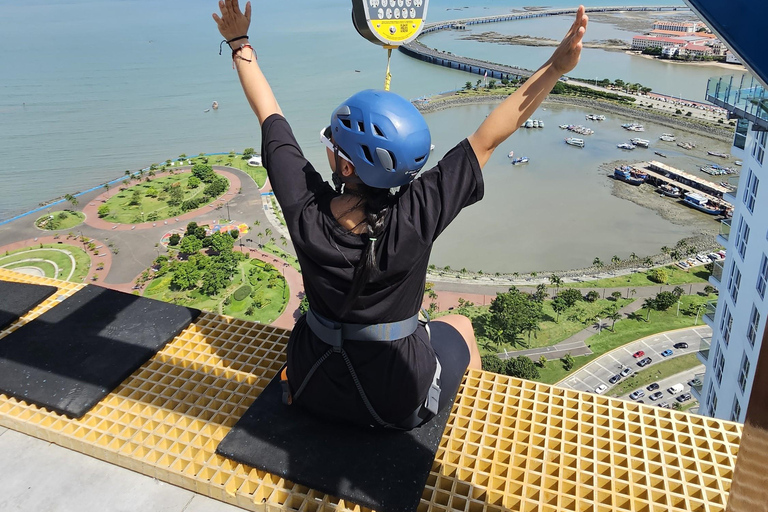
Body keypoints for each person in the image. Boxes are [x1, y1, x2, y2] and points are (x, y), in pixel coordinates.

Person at [213, 0, 587, 429]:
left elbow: (270, 115)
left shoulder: (305, 208)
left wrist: (239, 41)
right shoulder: (418, 211)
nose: (328, 147)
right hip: (394, 402)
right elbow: (489, 137)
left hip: (312, 383)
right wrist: (556, 66)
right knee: (461, 325)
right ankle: (466, 432)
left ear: (346, 166)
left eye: (333, 143)